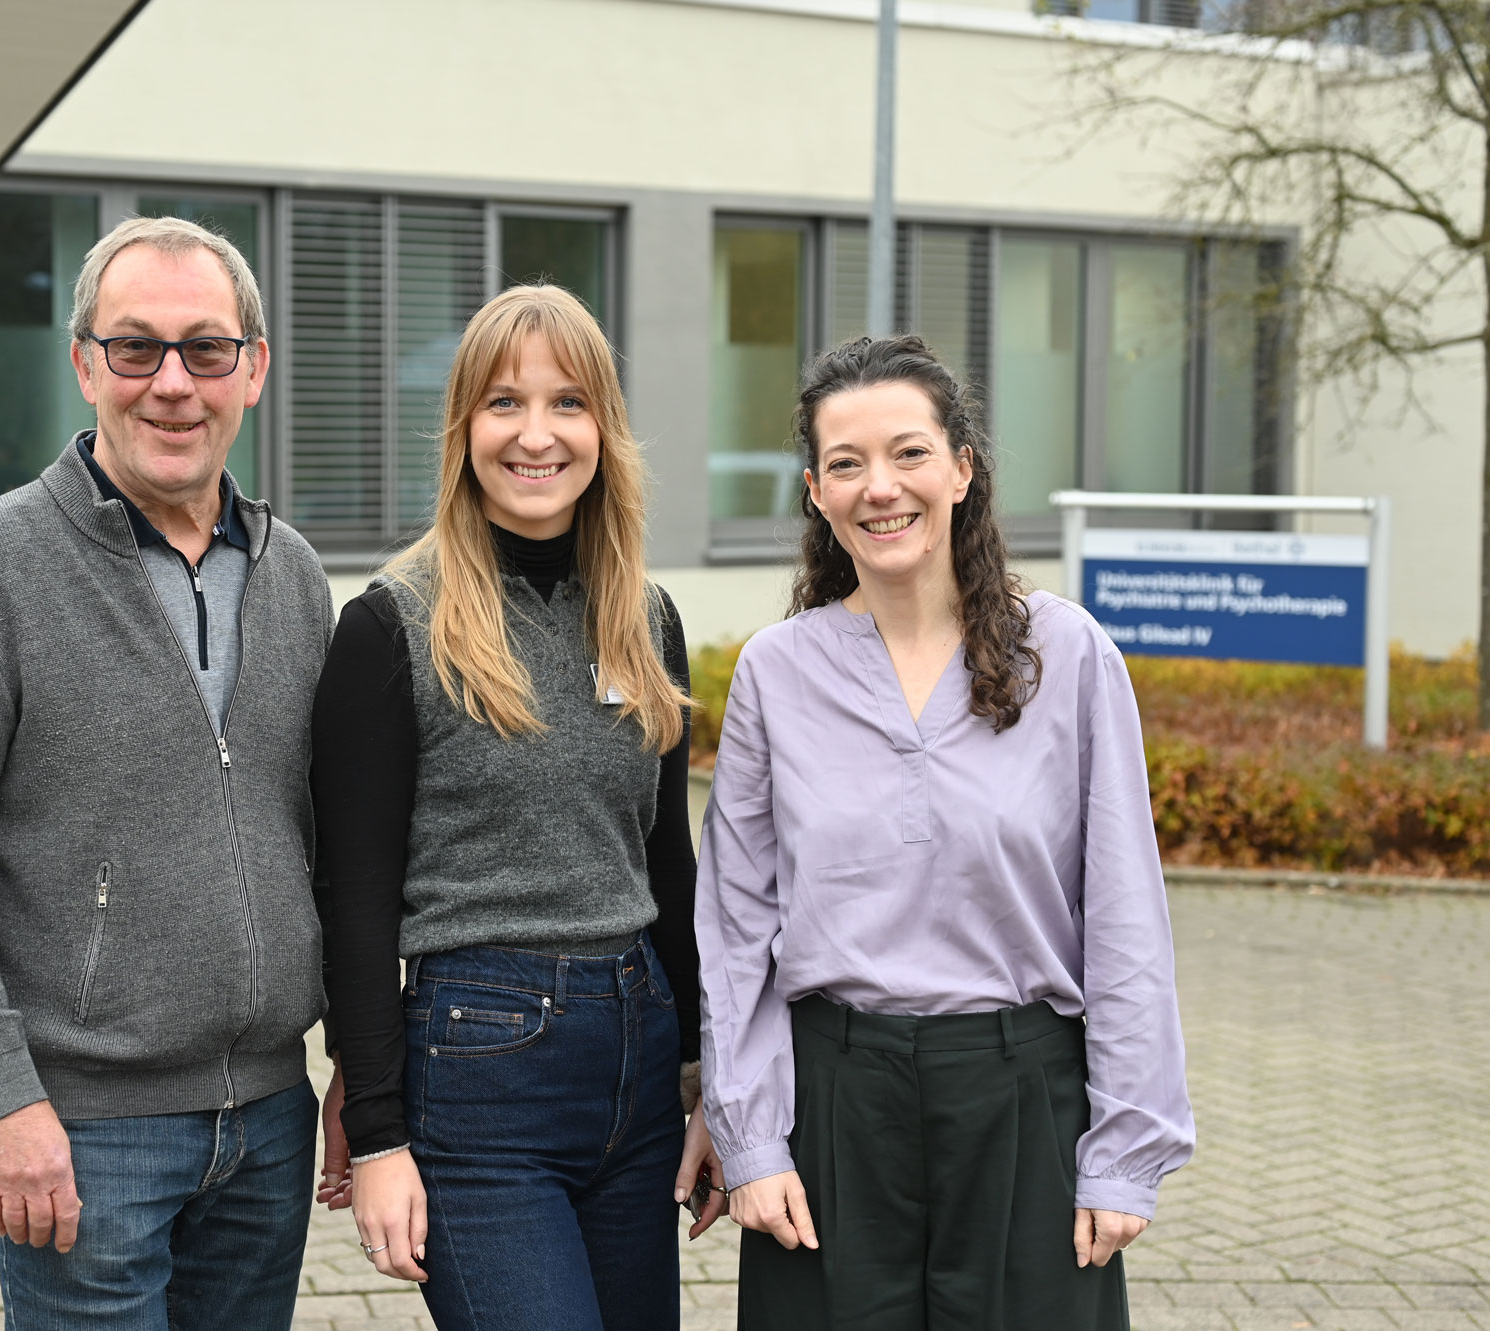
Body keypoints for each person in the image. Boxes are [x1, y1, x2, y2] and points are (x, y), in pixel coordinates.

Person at [0, 215, 335, 1330]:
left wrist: (360, 1063)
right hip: (84, 1135)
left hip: (271, 1120)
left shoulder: (296, 577)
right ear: (85, 363)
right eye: (136, 347)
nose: (171, 382)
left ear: (252, 370)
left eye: (205, 348)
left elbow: (336, 838)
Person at [696, 334, 1195, 1330]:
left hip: (1019, 1099)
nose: (879, 487)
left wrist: (1122, 1150)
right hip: (831, 1105)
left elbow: (1124, 914)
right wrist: (746, 1137)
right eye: (845, 463)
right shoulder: (775, 673)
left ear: (962, 468)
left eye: (908, 452)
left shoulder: (1067, 654)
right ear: (815, 491)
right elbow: (734, 924)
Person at [309, 284, 723, 1331]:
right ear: (463, 427)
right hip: (478, 1069)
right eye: (503, 403)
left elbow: (664, 862)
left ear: (603, 428)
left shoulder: (645, 615)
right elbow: (352, 899)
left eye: (566, 403)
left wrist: (713, 1078)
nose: (535, 434)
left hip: (639, 1064)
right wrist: (380, 1134)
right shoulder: (390, 623)